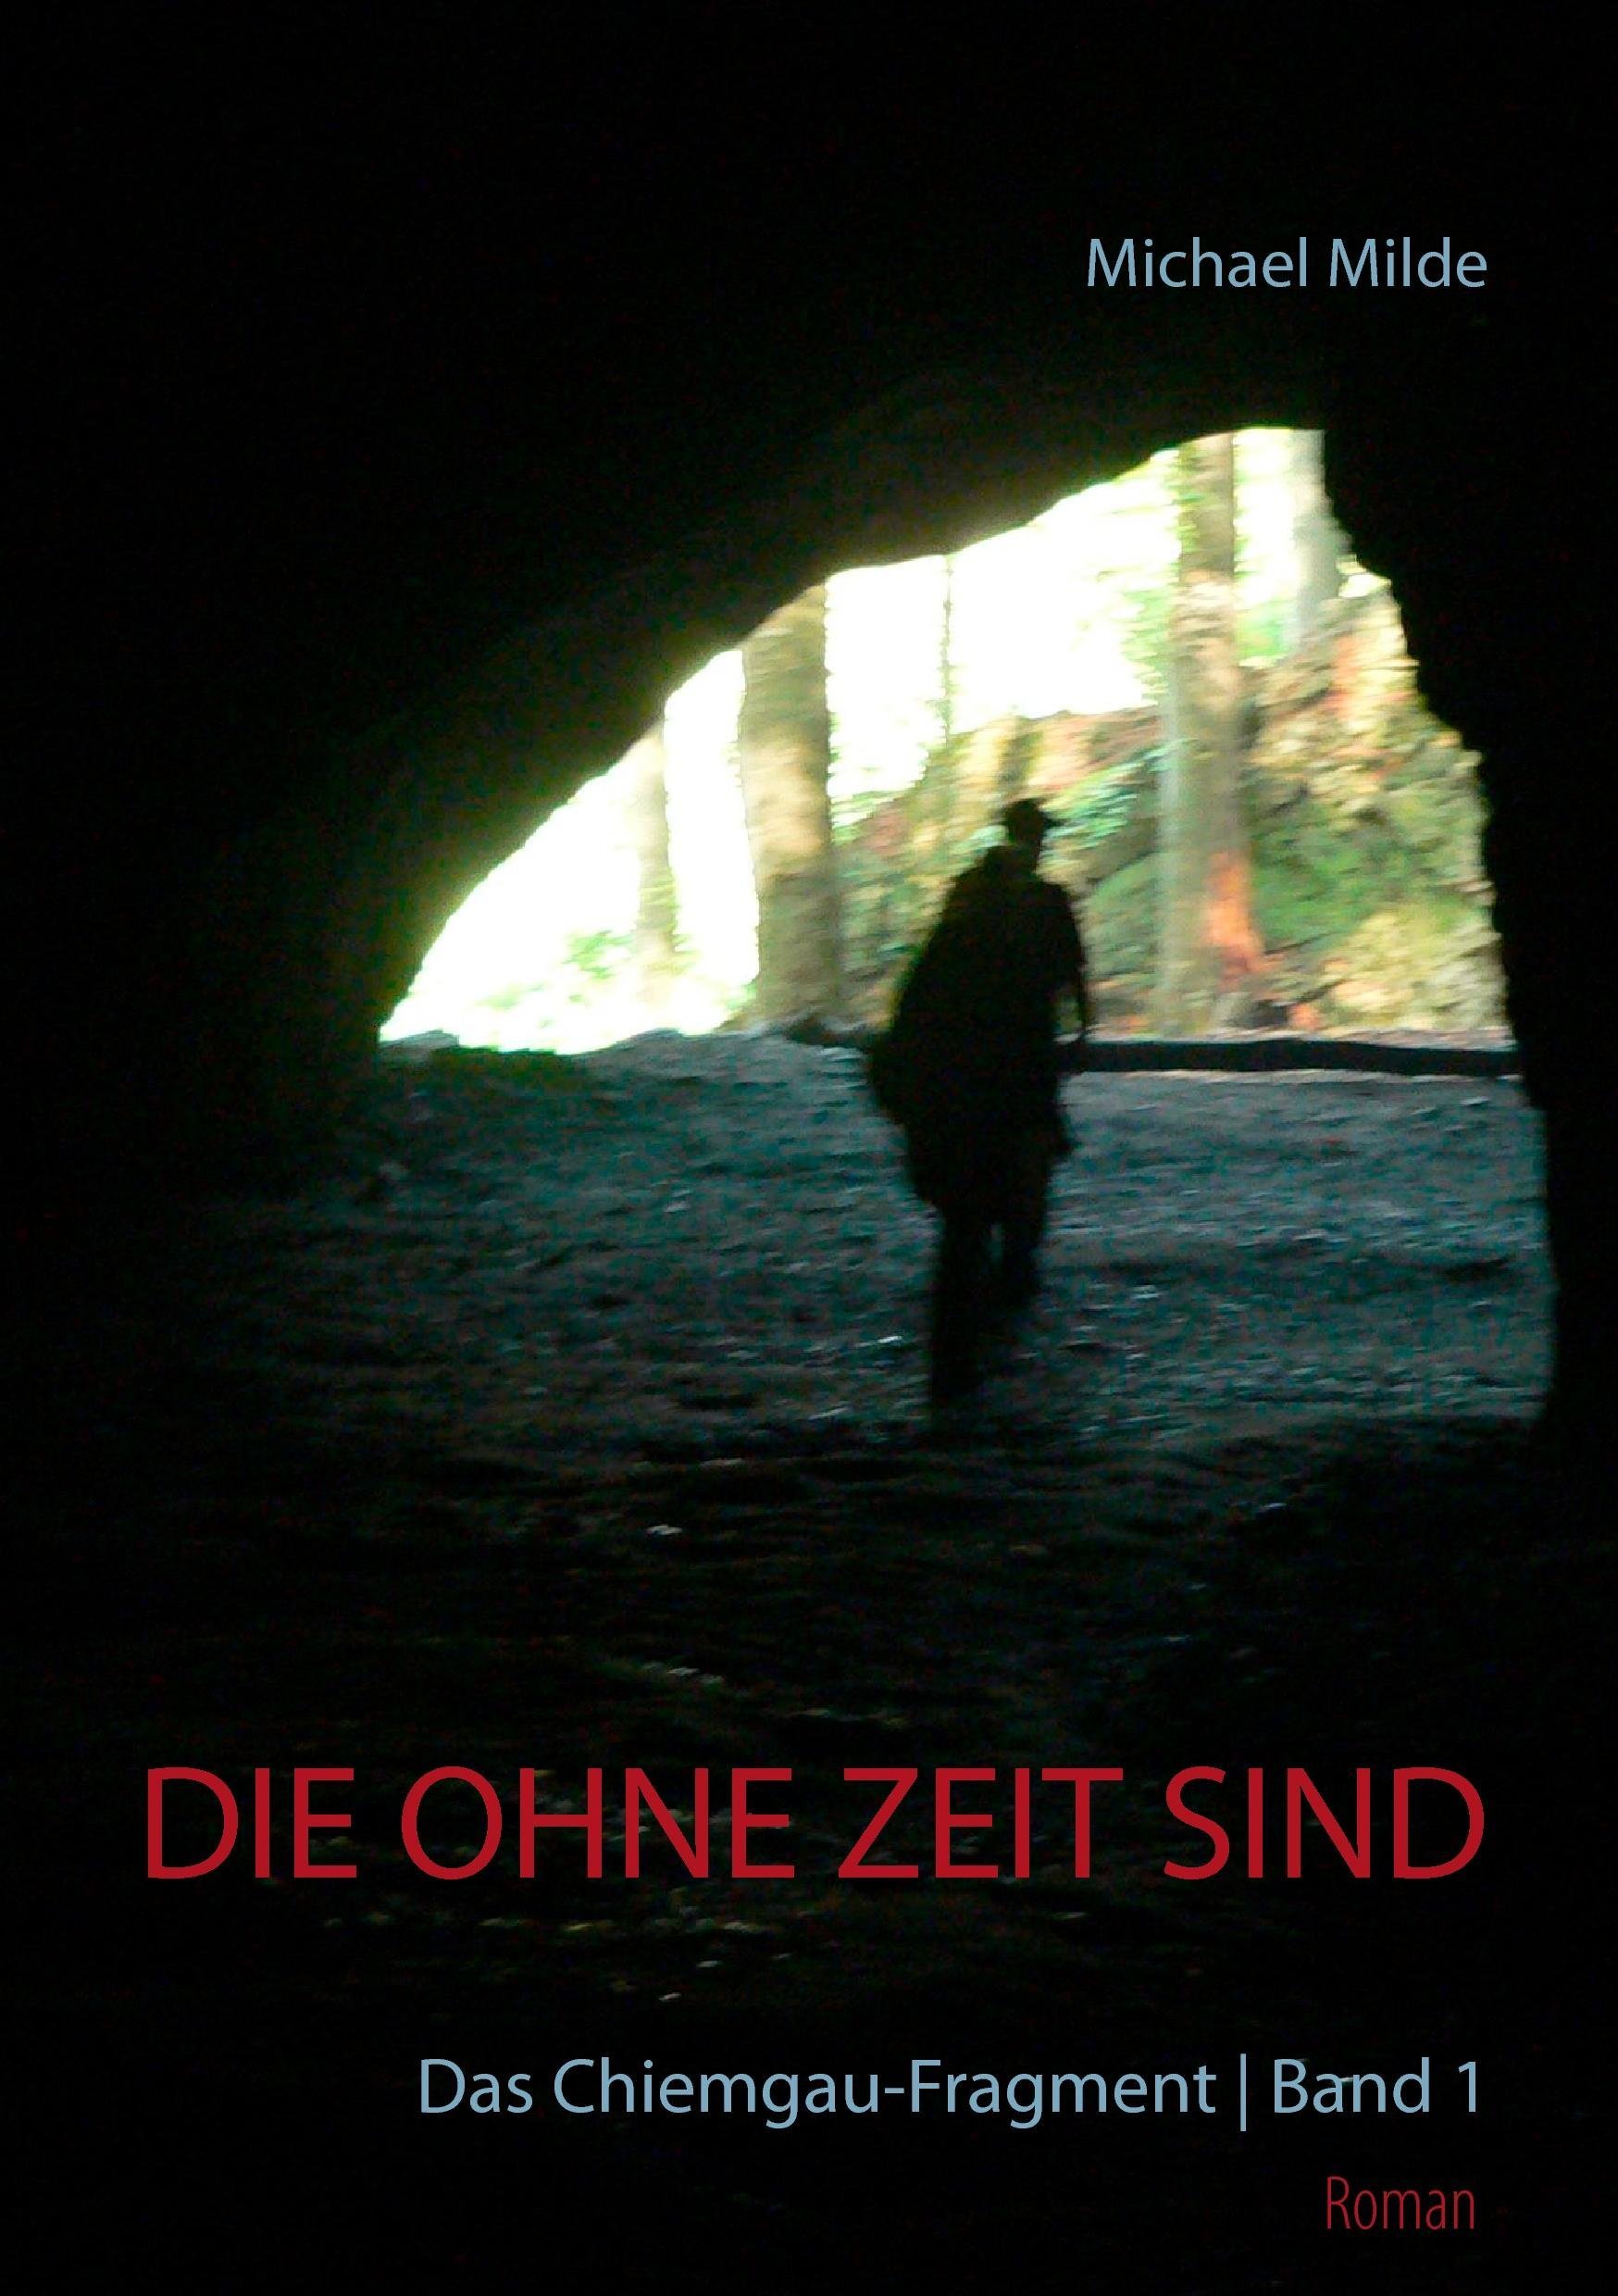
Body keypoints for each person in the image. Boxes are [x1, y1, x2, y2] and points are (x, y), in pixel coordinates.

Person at [871, 797, 1091, 1402]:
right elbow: (1072, 974)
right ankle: (1008, 1287)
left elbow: (910, 1021)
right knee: (1019, 1187)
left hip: (965, 1094)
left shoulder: (960, 920)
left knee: (964, 1226)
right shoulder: (1043, 905)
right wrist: (1080, 1031)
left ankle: (955, 1361)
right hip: (1017, 1079)